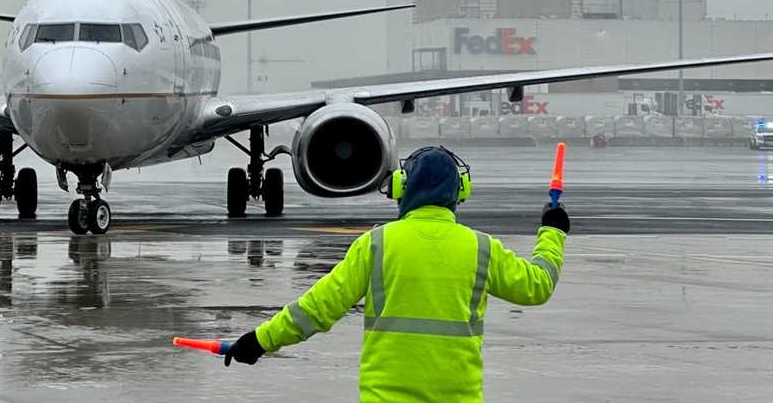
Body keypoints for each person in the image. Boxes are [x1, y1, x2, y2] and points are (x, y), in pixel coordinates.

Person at [224, 146, 569, 402]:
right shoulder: (480, 248)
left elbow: (315, 309)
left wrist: (258, 342)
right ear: (460, 191)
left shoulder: (376, 245)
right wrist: (552, 232)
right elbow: (537, 286)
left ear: (402, 188)